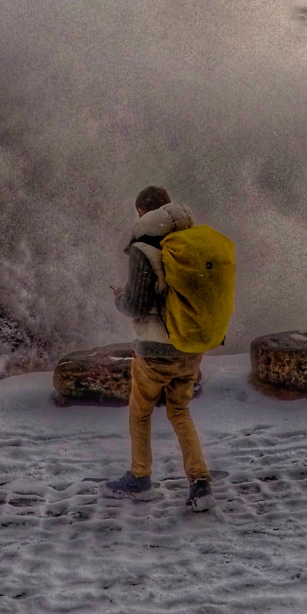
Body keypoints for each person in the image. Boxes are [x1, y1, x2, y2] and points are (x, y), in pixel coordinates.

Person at [105, 185, 215, 511]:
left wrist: (120, 298)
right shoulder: (192, 242)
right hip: (190, 346)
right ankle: (200, 483)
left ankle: (140, 479)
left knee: (140, 413)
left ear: (142, 212)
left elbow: (138, 304)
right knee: (179, 411)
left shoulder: (144, 247)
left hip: (155, 349)